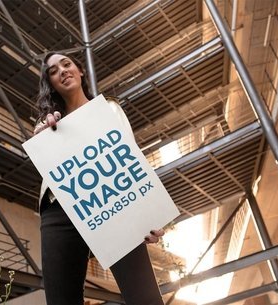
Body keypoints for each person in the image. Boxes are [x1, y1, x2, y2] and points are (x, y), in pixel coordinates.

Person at [34, 52, 166, 305]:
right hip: (59, 207)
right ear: (50, 83)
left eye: (66, 64)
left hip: (111, 200)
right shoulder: (47, 122)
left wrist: (148, 216)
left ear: (80, 71)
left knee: (144, 297)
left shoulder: (109, 108)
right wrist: (43, 137)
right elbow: (46, 164)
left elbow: (130, 159)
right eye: (52, 71)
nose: (61, 70)